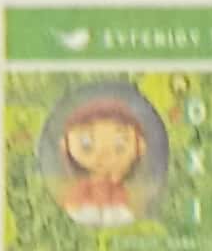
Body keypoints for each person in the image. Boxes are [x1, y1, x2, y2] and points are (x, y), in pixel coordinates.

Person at [55, 95, 150, 226]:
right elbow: (72, 206)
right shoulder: (82, 187)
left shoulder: (118, 187)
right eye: (86, 143)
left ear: (140, 145)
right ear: (65, 145)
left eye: (120, 143)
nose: (104, 153)